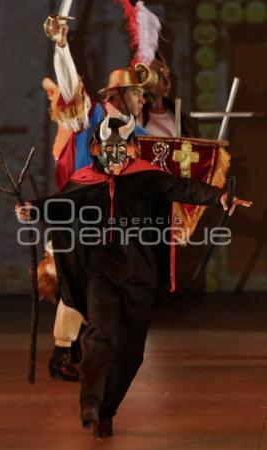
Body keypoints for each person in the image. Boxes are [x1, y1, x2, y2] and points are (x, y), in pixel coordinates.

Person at [16, 116, 252, 438]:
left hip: (139, 272)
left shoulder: (145, 177)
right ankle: (91, 402)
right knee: (101, 335)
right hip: (102, 269)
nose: (115, 152)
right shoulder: (86, 180)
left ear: (128, 147)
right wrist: (33, 209)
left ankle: (106, 410)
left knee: (131, 351)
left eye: (121, 145)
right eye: (108, 146)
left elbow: (183, 187)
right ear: (98, 147)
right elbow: (61, 205)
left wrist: (219, 197)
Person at [42, 14, 156, 383]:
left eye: (143, 93)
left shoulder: (138, 133)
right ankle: (64, 352)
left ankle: (86, 346)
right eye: (137, 92)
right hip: (83, 216)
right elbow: (71, 84)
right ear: (117, 96)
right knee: (83, 280)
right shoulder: (91, 117)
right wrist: (62, 45)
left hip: (116, 220)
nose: (143, 98)